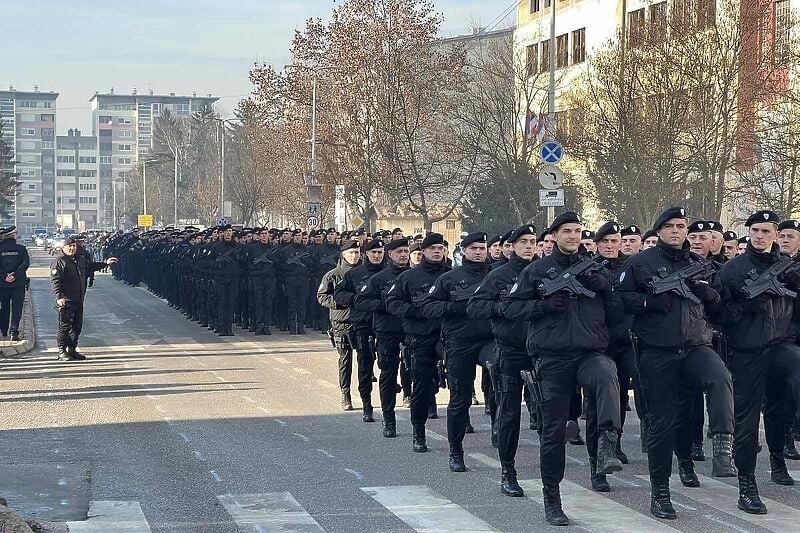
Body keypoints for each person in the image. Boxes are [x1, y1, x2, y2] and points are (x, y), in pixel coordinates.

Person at [501, 211, 623, 526]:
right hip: (552, 358)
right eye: (566, 231)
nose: (573, 236)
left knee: (607, 375)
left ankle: (608, 446)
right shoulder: (537, 270)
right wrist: (541, 307)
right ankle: (552, 498)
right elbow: (511, 307)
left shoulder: (596, 269)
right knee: (553, 431)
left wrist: (606, 289)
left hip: (589, 352)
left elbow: (619, 313)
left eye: (578, 231)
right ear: (554, 235)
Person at [617, 206, 735, 520]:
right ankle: (660, 492)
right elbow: (619, 299)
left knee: (720, 377)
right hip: (658, 352)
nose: (676, 231)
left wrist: (711, 297)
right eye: (669, 226)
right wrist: (647, 303)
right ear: (658, 230)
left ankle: (722, 447)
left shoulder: (700, 264)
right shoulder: (639, 263)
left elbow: (721, 309)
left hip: (696, 346)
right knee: (662, 424)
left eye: (681, 226)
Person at [715, 210, 800, 514]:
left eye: (766, 231)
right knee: (748, 420)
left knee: (784, 403)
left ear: (776, 235)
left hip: (781, 346)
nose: (760, 236)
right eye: (755, 231)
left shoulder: (787, 266)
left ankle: (778, 458)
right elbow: (718, 314)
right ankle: (747, 485)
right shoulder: (733, 270)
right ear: (748, 233)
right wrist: (745, 308)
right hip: (747, 351)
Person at [467, 224, 537, 497]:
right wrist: (503, 308)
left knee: (549, 414)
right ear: (512, 247)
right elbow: (475, 306)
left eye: (533, 241)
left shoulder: (543, 271)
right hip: (510, 350)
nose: (529, 246)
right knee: (509, 412)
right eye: (523, 242)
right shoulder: (499, 276)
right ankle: (508, 471)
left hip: (542, 350)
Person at [421, 232, 492, 472]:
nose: (479, 252)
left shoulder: (495, 275)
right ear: (464, 251)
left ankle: (500, 436)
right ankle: (456, 450)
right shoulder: (449, 278)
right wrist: (456, 307)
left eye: (482, 248)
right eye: (474, 248)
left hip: (489, 340)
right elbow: (429, 306)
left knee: (502, 385)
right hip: (460, 342)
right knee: (459, 398)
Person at [386, 233, 449, 453]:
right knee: (421, 387)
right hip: (421, 337)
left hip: (448, 337)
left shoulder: (450, 275)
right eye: (432, 248)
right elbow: (392, 302)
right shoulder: (409, 277)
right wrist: (414, 311)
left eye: (440, 248)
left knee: (460, 385)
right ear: (423, 252)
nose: (437, 251)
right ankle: (418, 431)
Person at [354, 238, 411, 437]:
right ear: (390, 254)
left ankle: (418, 412)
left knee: (417, 371)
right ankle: (389, 418)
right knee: (388, 374)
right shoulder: (379, 278)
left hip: (412, 330)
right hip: (387, 331)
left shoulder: (414, 275)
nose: (403, 255)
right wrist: (386, 306)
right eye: (399, 252)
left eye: (406, 251)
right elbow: (361, 301)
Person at [334, 238, 385, 422]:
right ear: (366, 254)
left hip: (386, 326)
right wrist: (356, 300)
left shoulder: (390, 273)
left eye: (380, 253)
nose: (377, 256)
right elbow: (339, 294)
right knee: (365, 366)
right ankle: (367, 404)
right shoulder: (354, 274)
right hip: (363, 325)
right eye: (374, 253)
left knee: (388, 366)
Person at [51, 235, 117, 361]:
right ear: (64, 247)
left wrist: (105, 263)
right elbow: (55, 280)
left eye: (74, 246)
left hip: (78, 298)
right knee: (64, 327)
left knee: (76, 326)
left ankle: (72, 349)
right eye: (69, 246)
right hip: (66, 300)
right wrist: (59, 297)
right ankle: (61, 351)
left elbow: (90, 266)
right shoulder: (59, 261)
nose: (72, 248)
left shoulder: (79, 259)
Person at [318, 240, 362, 411]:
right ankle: (345, 394)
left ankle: (365, 393)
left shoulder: (364, 274)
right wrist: (339, 302)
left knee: (366, 359)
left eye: (357, 252)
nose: (354, 256)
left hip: (362, 322)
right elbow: (322, 296)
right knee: (345, 360)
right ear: (344, 254)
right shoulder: (333, 275)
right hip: (341, 322)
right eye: (351, 253)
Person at [0, 226, 30, 340]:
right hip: (18, 283)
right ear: (14, 235)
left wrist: (5, 276)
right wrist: (15, 275)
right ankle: (14, 331)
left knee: (4, 307)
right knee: (17, 308)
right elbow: (25, 264)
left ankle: (3, 330)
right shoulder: (21, 249)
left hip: (3, 283)